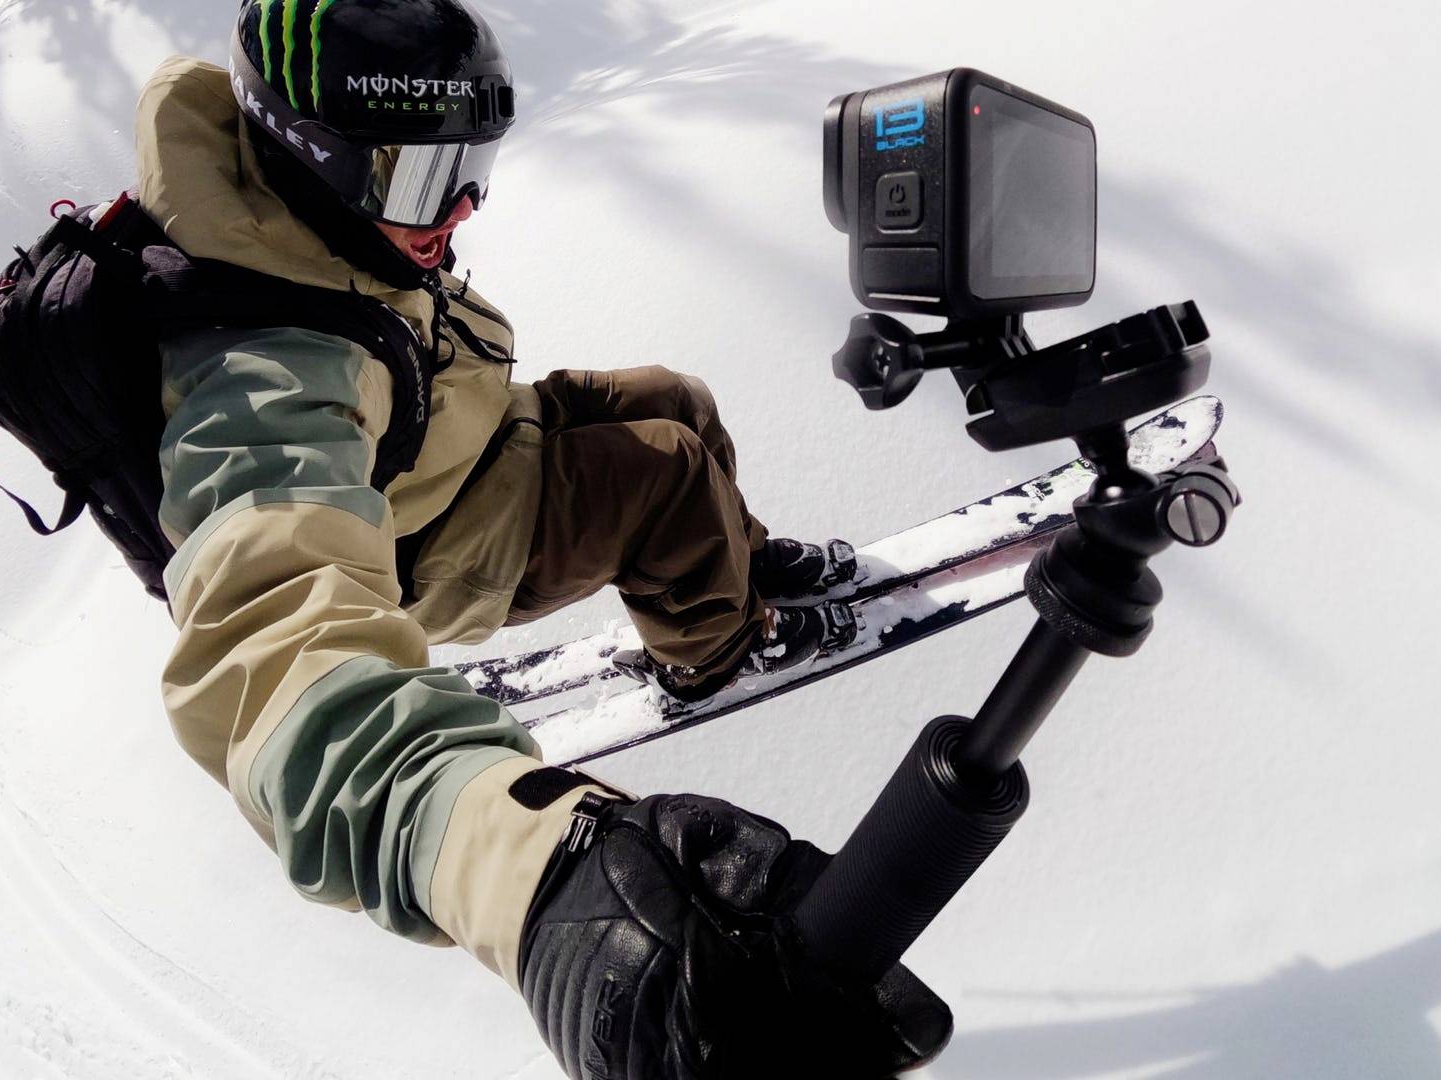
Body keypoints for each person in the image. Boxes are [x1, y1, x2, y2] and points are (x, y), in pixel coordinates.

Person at [138, 1, 951, 1076]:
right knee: (662, 474)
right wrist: (534, 878)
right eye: (431, 181)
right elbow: (272, 665)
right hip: (445, 541)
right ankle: (712, 651)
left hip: (462, 445)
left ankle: (731, 565)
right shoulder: (260, 376)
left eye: (473, 168)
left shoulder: (290, 211)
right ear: (314, 154)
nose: (462, 207)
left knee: (678, 402)